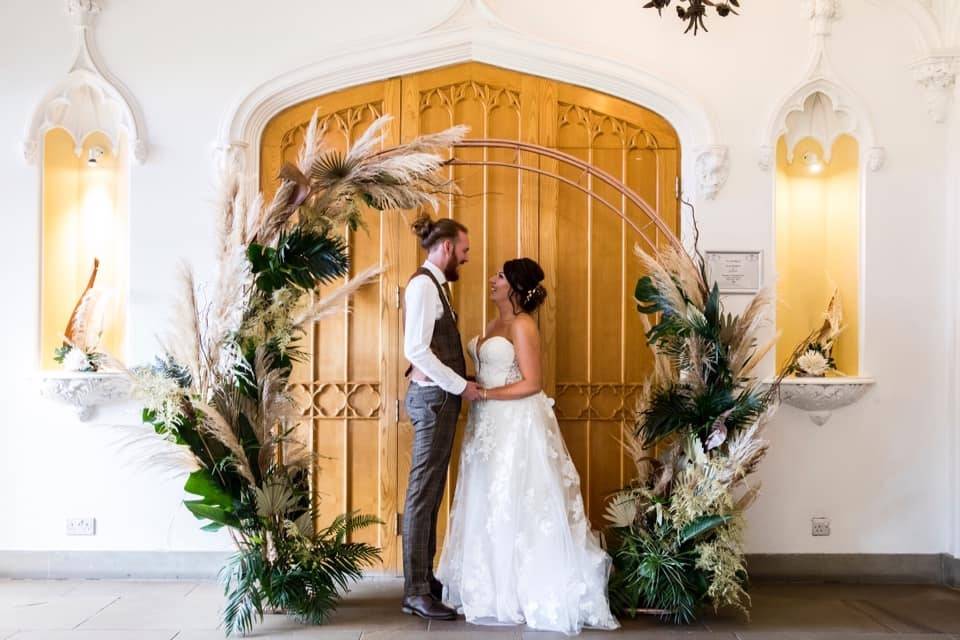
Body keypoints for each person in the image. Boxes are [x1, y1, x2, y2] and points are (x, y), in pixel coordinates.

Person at [436, 257, 619, 635]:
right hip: (486, 423)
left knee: (516, 499)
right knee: (488, 499)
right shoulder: (494, 324)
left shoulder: (522, 325)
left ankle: (521, 591)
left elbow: (532, 382)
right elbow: (493, 371)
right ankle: (489, 587)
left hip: (515, 423)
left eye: (499, 276)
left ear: (515, 288)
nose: (491, 280)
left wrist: (484, 392)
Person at [401, 213, 481, 620]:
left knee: (430, 495)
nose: (466, 259)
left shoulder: (437, 286)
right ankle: (415, 590)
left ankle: (423, 579)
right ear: (447, 247)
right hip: (432, 401)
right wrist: (460, 385)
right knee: (421, 496)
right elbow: (415, 350)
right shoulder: (422, 286)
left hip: (439, 400)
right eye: (464, 251)